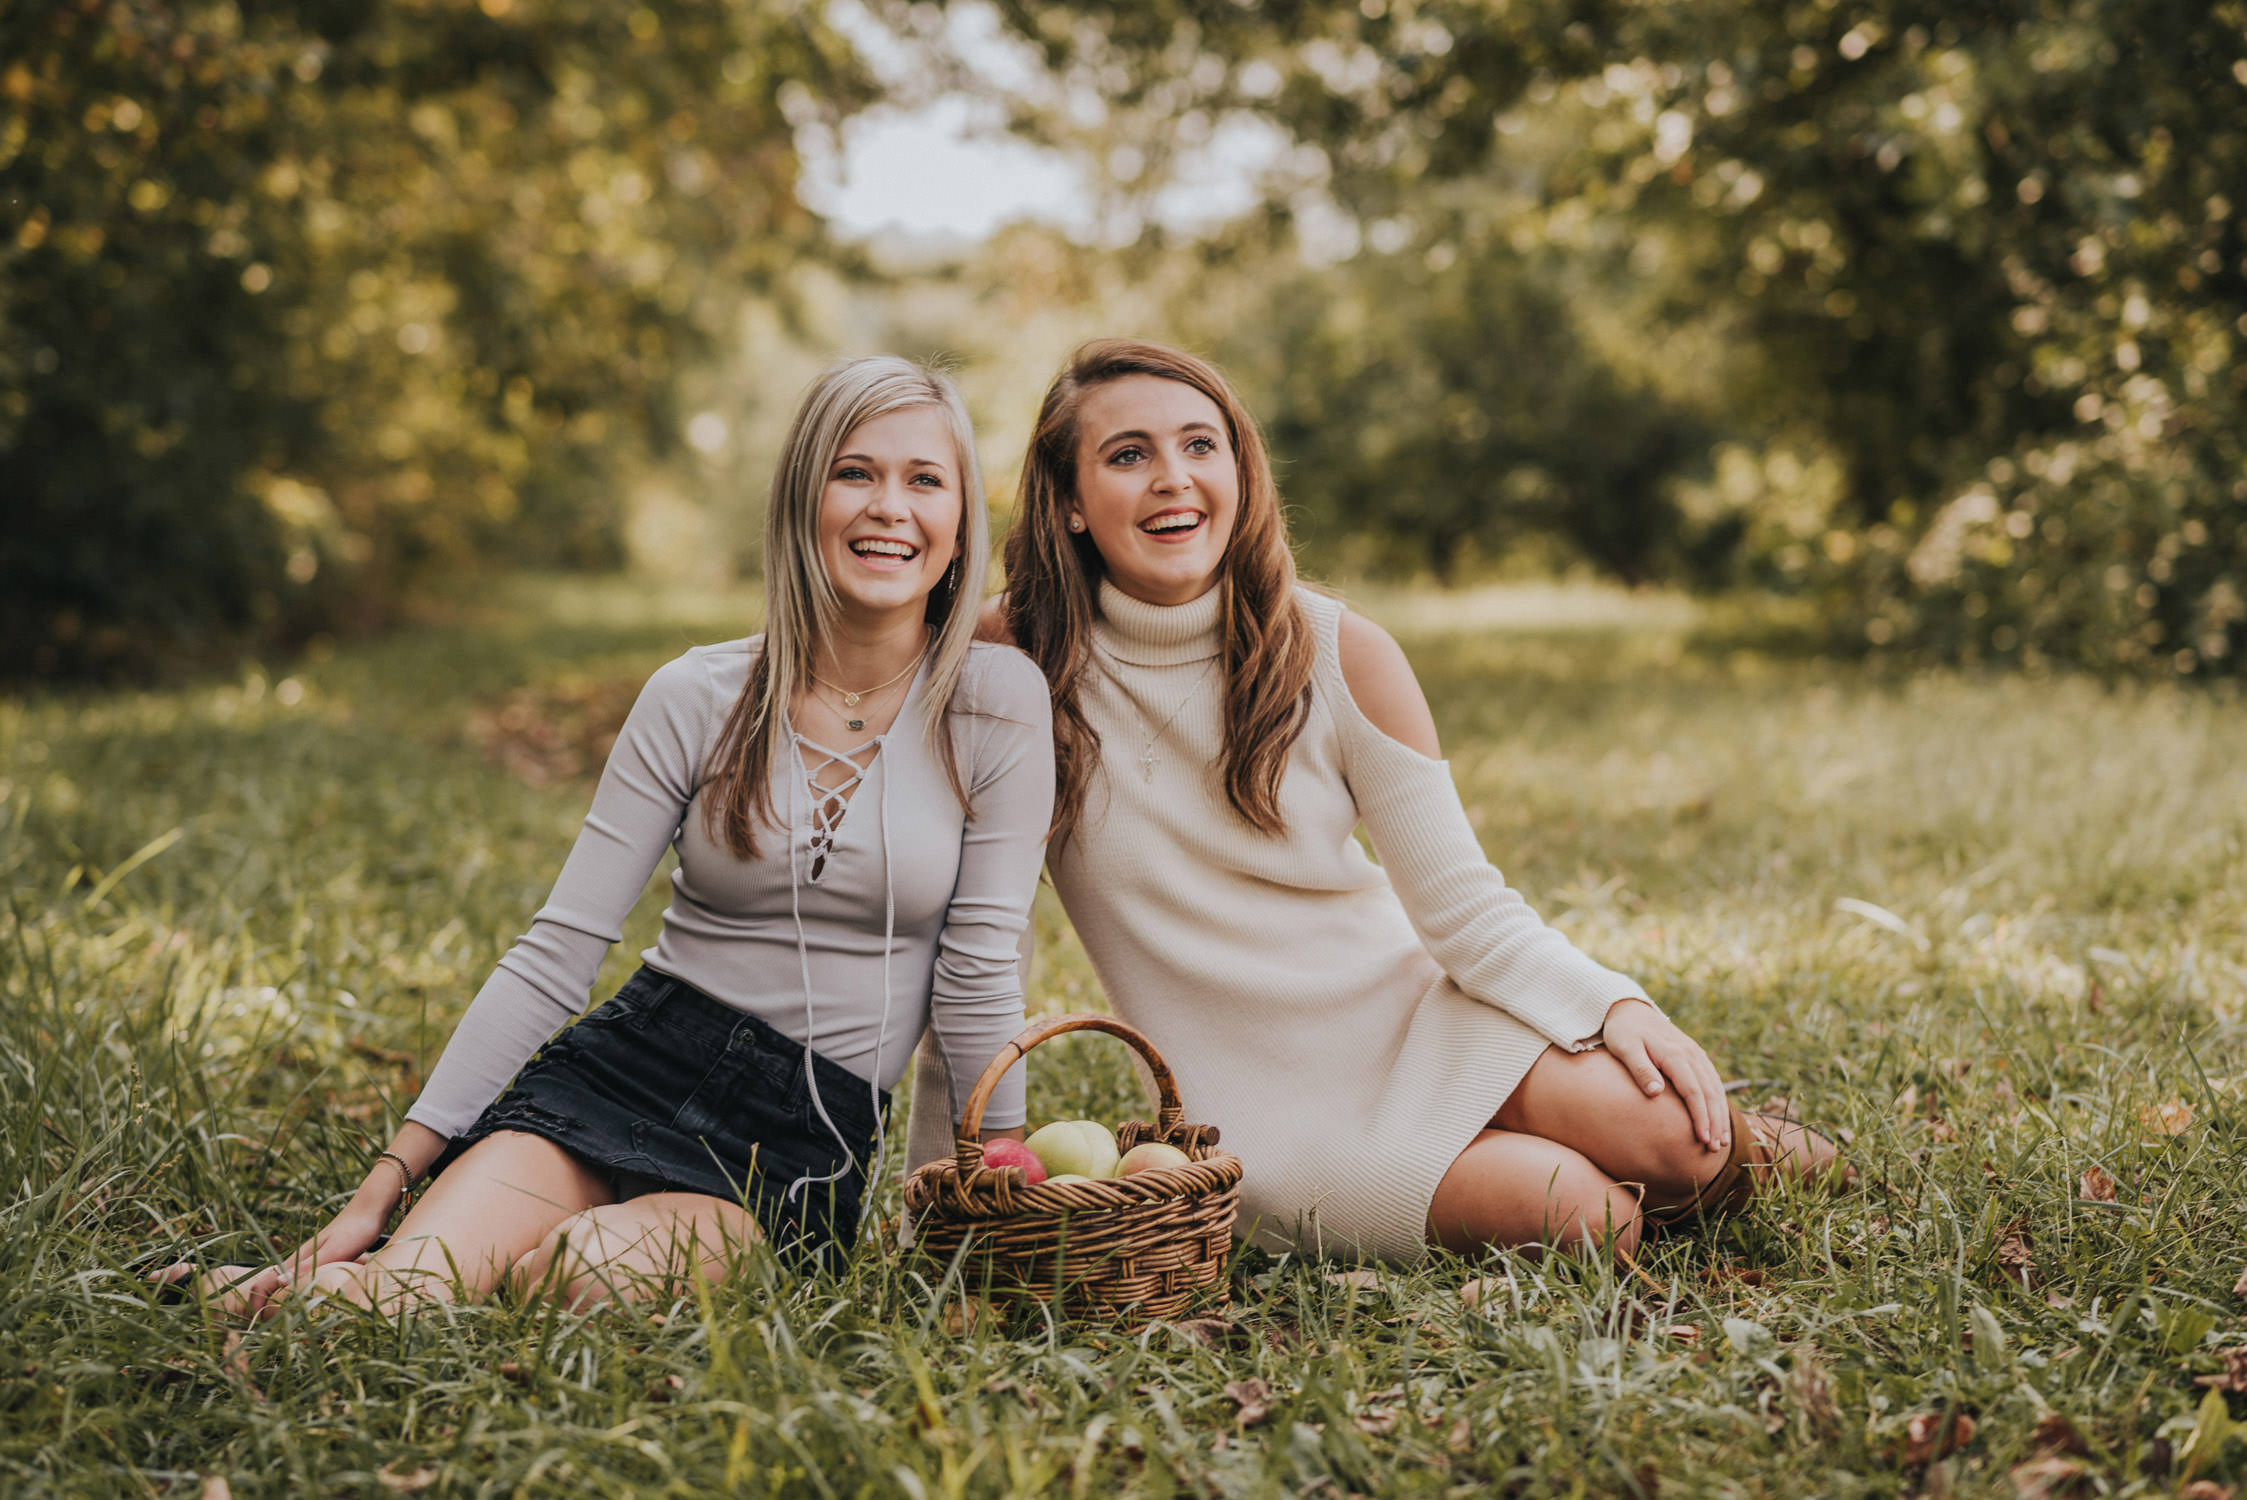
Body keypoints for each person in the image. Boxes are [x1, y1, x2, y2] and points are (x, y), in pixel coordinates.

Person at [158, 356, 1053, 1313]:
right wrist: (384, 1184)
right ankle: (297, 1294)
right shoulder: (697, 694)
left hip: (793, 1140)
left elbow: (978, 976)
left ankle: (273, 1293)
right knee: (408, 1292)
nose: (889, 506)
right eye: (854, 472)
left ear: (961, 526)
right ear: (802, 501)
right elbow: (559, 950)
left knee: (576, 1279)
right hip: (629, 1066)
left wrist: (988, 1206)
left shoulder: (995, 708)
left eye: (924, 480)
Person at [970, 337, 1841, 1265]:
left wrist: (1613, 1008)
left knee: (1684, 1146)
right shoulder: (1016, 660)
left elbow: (1465, 910)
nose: (1172, 480)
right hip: (1269, 1116)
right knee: (1595, 1222)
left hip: (1422, 1018)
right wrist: (971, 1174)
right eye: (1127, 455)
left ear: (1237, 468)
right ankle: (1564, 1155)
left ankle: (1774, 1144)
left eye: (1199, 445)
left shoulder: (1336, 649)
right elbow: (983, 934)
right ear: (1067, 500)